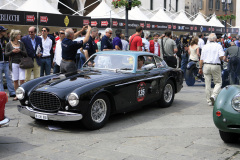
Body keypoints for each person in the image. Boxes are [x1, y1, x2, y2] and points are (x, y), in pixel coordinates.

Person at [198, 33, 224, 106]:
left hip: (206, 65)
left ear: (208, 39)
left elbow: (201, 59)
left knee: (207, 84)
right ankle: (214, 95)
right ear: (215, 39)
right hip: (215, 65)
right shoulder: (219, 46)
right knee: (218, 82)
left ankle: (209, 101)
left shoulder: (205, 47)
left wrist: (200, 68)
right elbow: (221, 56)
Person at [5, 29, 27, 101]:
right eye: (18, 34)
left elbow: (25, 53)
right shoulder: (9, 44)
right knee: (15, 80)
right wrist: (12, 51)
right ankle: (17, 95)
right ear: (15, 36)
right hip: (13, 63)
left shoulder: (21, 43)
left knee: (22, 79)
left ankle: (22, 94)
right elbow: (6, 54)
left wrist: (20, 51)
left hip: (21, 63)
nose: (20, 35)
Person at [0, 26, 15, 97]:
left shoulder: (6, 39)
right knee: (0, 79)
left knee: (9, 77)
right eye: (4, 31)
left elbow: (9, 49)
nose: (5, 32)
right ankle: (2, 94)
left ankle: (12, 92)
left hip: (6, 62)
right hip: (0, 62)